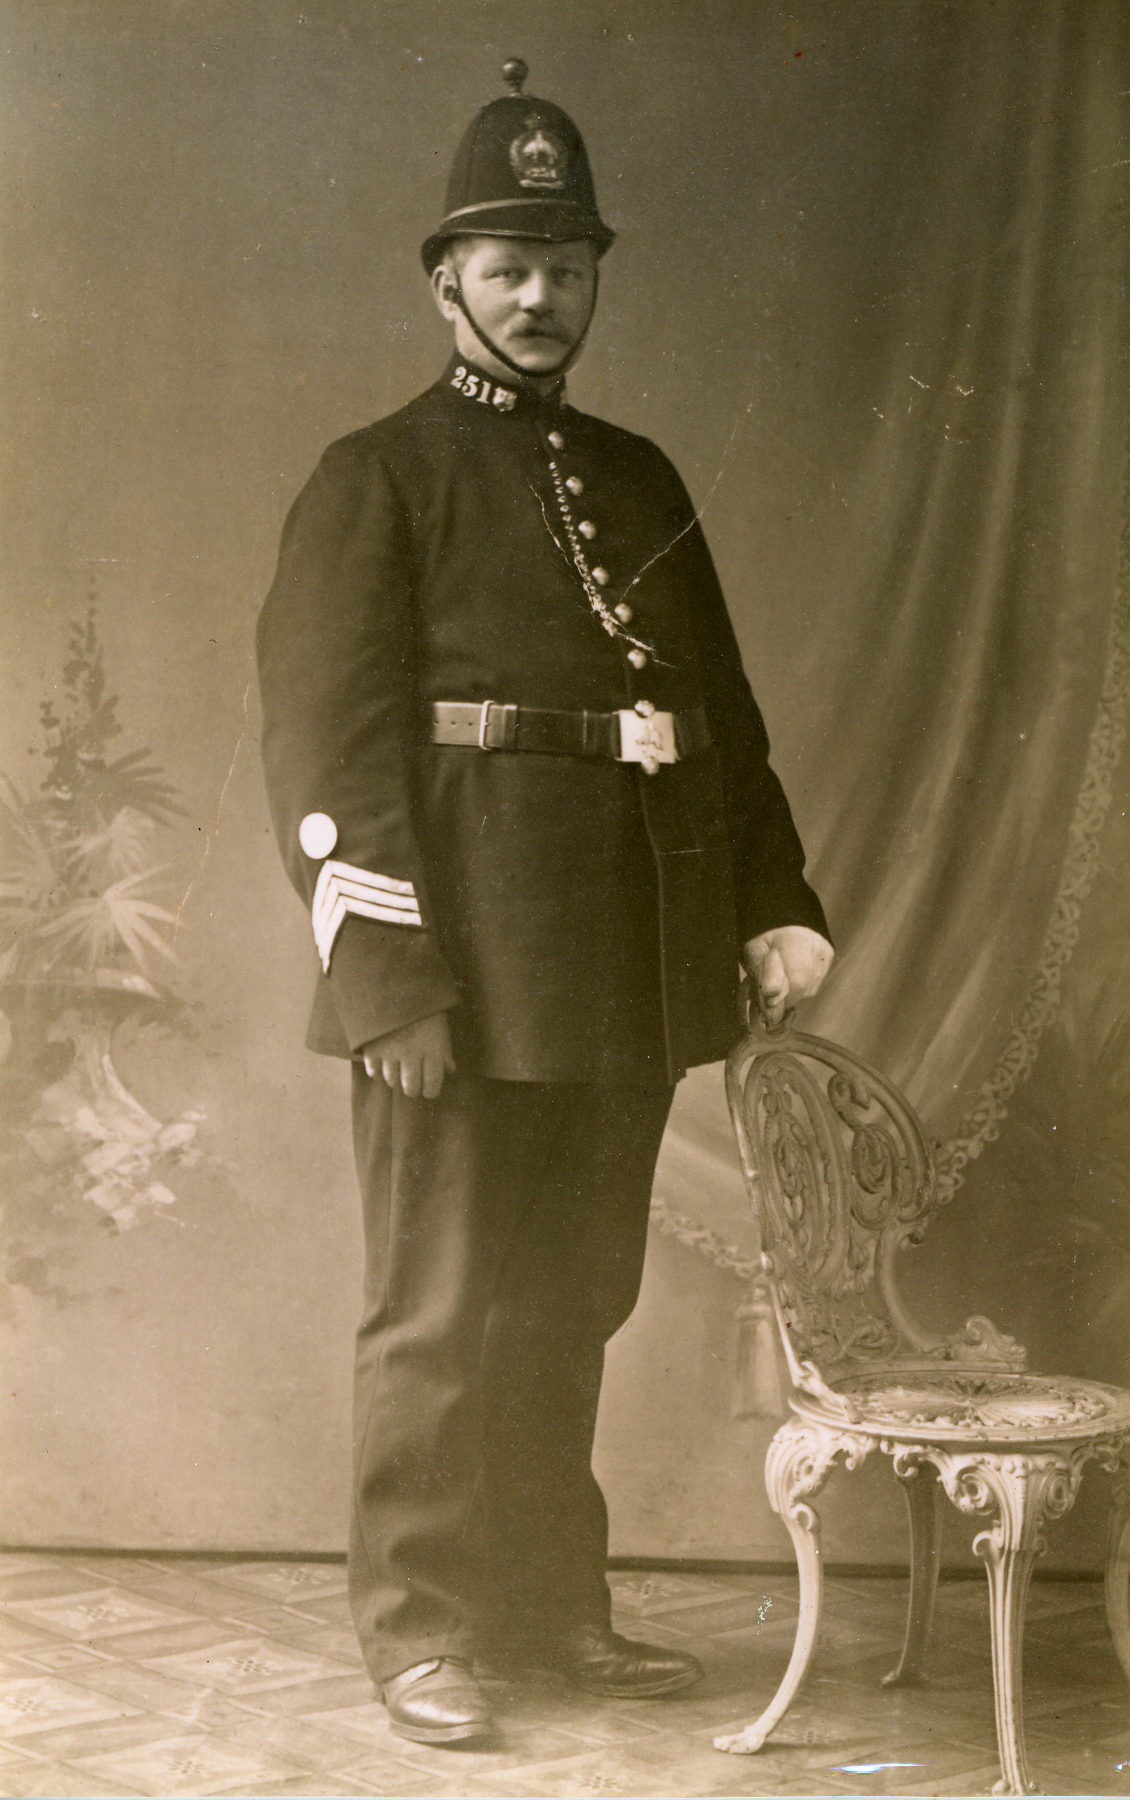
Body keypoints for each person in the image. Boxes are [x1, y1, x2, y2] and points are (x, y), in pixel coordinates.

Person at [257, 59, 834, 1747]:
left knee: (570, 1301)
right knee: (439, 1310)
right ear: (444, 281)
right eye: (506, 266)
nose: (537, 297)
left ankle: (545, 1610)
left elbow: (716, 718)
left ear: (593, 281)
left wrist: (773, 897)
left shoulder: (640, 478)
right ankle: (424, 1631)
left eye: (564, 267)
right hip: (455, 968)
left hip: (619, 963)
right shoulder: (377, 475)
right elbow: (325, 749)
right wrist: (387, 980)